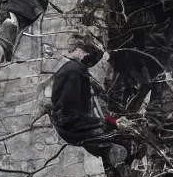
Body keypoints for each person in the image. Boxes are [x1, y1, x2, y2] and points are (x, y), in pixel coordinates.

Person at [50, 36, 136, 167]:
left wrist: (112, 122)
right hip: (75, 127)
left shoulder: (76, 71)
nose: (89, 56)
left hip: (77, 127)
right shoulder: (74, 70)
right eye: (88, 52)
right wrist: (97, 124)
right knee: (125, 146)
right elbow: (72, 109)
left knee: (125, 143)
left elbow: (93, 106)